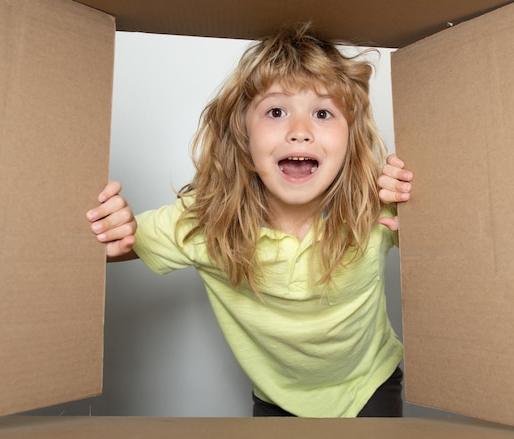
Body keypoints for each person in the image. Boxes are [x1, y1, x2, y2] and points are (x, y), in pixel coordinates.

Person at [86, 23, 413, 417]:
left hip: (369, 384)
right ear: (242, 133)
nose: (300, 132)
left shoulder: (376, 207)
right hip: (277, 399)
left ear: (350, 139)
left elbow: (461, 227)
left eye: (323, 112)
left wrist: (416, 200)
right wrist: (110, 229)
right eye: (276, 111)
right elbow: (111, 247)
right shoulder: (207, 223)